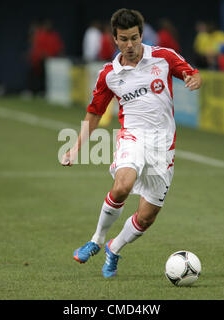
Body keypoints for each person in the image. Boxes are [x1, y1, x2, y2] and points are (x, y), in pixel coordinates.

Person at [61, 8, 201, 278]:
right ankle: (97, 240)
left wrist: (194, 79)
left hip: (163, 147)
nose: (130, 45)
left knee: (147, 217)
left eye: (134, 38)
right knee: (123, 185)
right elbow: (94, 113)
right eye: (124, 39)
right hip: (133, 136)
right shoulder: (109, 74)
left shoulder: (163, 57)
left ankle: (114, 249)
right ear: (114, 38)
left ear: (141, 34)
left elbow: (192, 73)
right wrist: (76, 147)